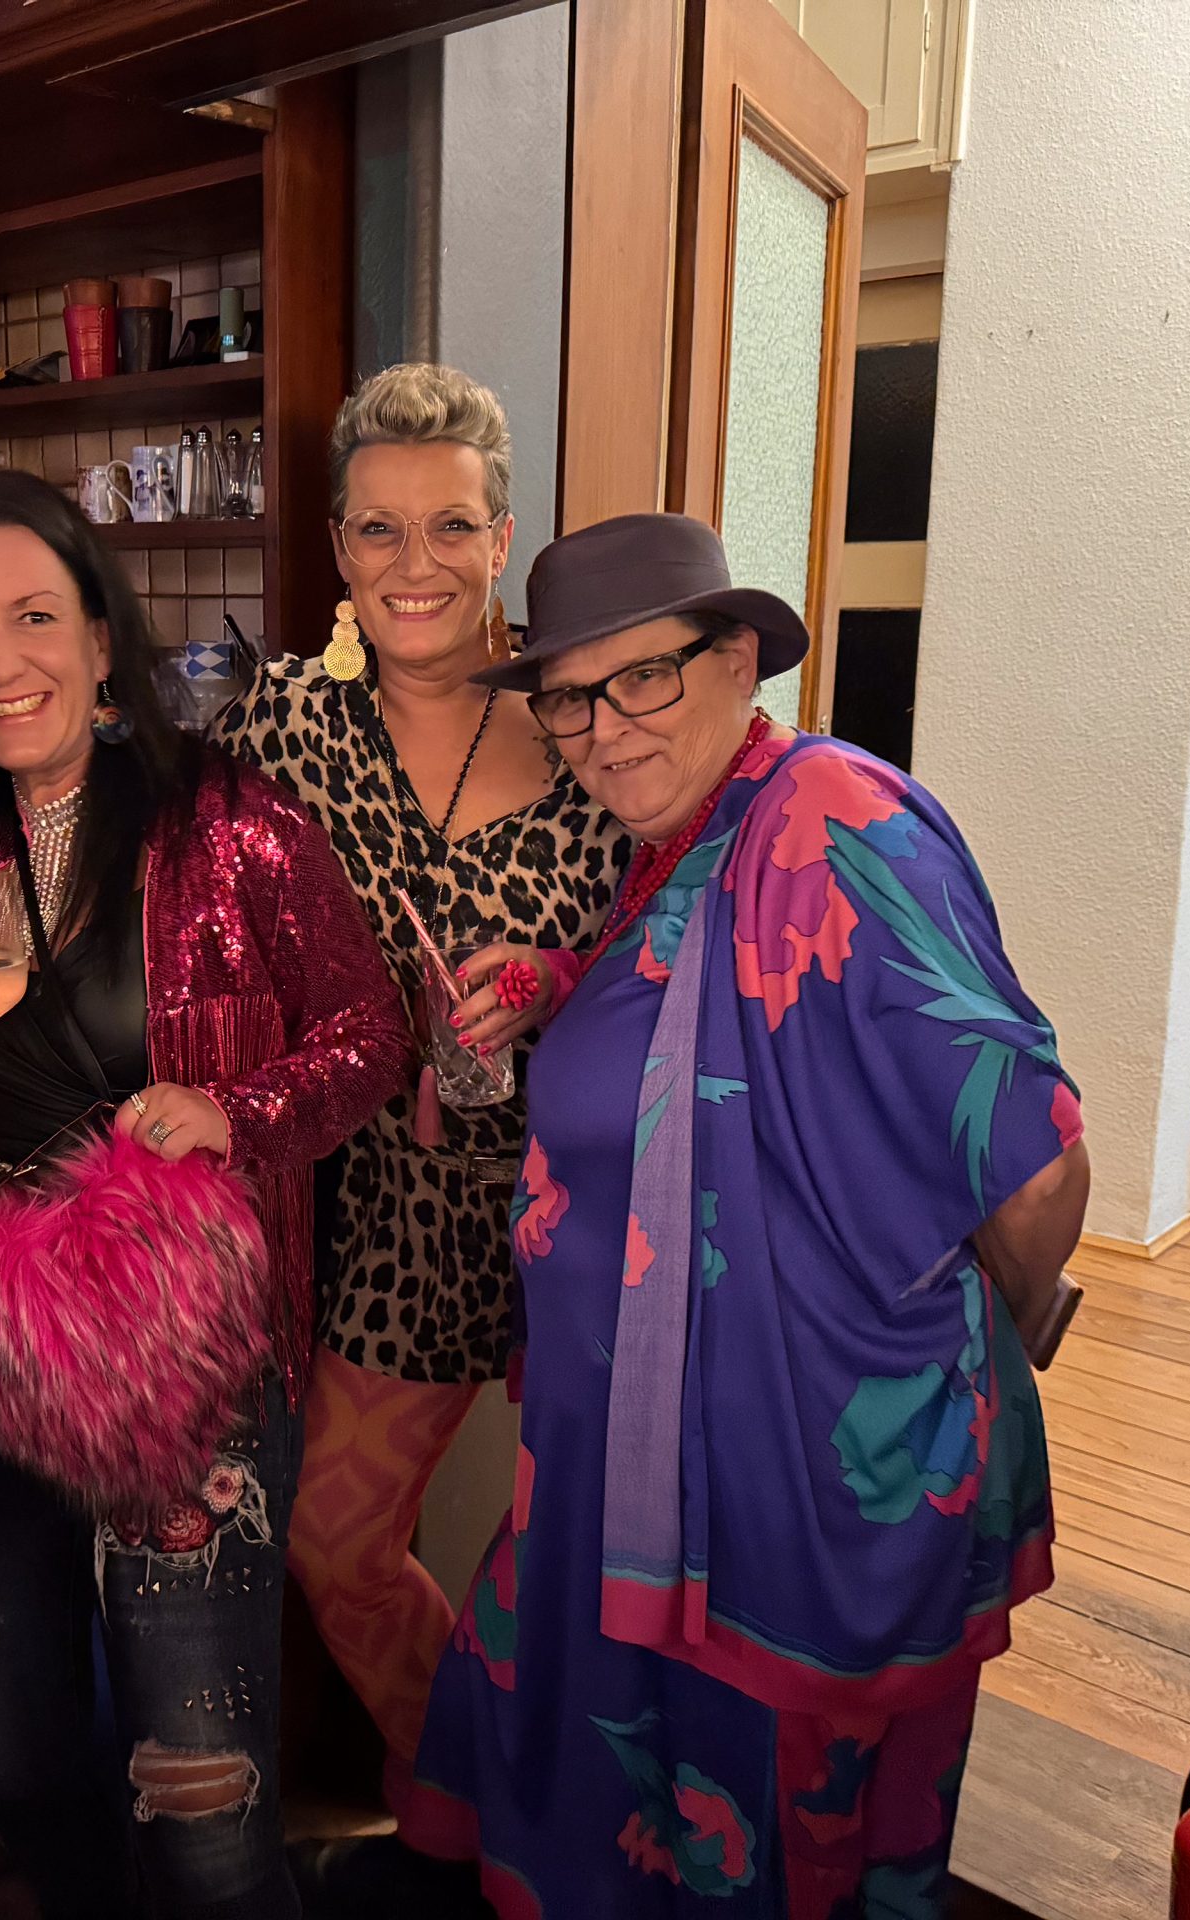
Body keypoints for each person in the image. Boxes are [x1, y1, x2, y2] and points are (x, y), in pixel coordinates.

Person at [393, 515, 1092, 1916]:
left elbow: (1031, 1165)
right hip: (636, 1463)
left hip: (784, 1481)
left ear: (736, 660)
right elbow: (701, 1034)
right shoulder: (686, 838)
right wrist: (561, 985)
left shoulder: (833, 823)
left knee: (766, 1837)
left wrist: (975, 1336)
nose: (603, 730)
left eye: (642, 678)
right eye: (571, 699)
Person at [0, 470, 413, 1920]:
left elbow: (371, 1035)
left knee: (203, 1799)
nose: (0, 661)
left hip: (188, 1354)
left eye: (35, 616)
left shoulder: (227, 818)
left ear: (102, 637)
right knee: (23, 1744)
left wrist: (236, 1116)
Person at [212, 363, 620, 1802]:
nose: (415, 564)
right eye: (378, 529)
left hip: (554, 1208)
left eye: (450, 526)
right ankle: (476, 1797)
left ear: (501, 537)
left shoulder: (588, 731)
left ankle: (521, 1809)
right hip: (347, 1204)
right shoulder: (278, 728)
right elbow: (184, 910)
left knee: (579, 1560)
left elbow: (667, 948)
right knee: (326, 1540)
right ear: (339, 547)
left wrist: (550, 982)